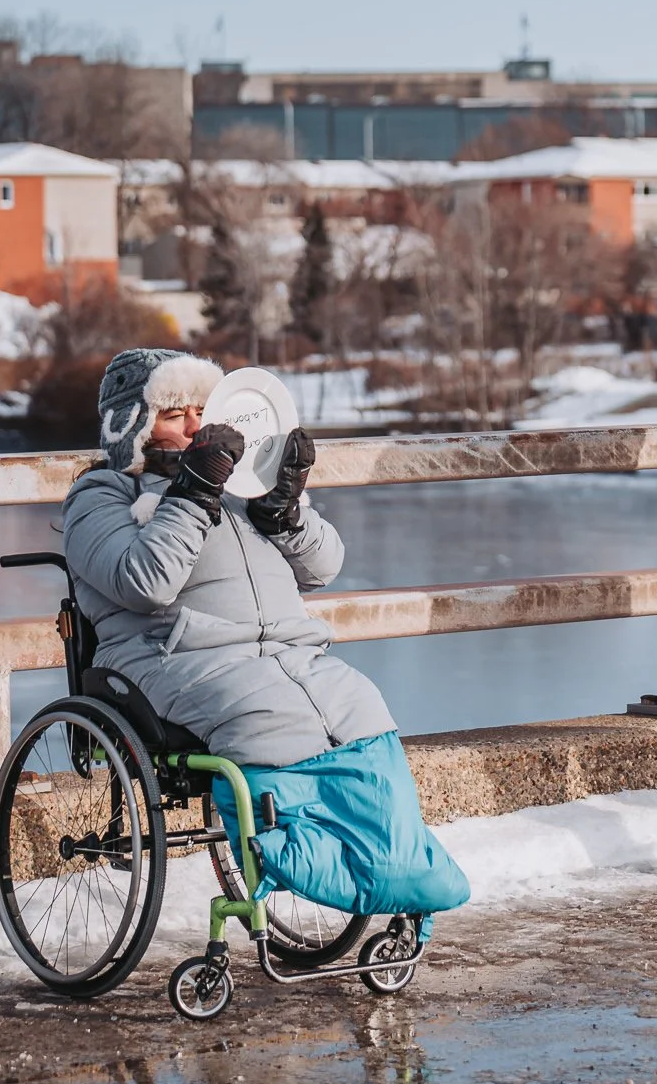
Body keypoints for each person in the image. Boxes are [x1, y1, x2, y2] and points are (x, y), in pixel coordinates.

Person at [62, 348, 469, 922]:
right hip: (174, 656)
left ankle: (397, 868)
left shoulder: (239, 486)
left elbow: (323, 568)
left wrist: (286, 511)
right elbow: (145, 583)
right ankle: (302, 861)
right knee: (272, 715)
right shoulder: (101, 496)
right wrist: (194, 492)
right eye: (176, 414)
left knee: (361, 704)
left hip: (284, 651)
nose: (198, 426)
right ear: (133, 424)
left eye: (204, 410)